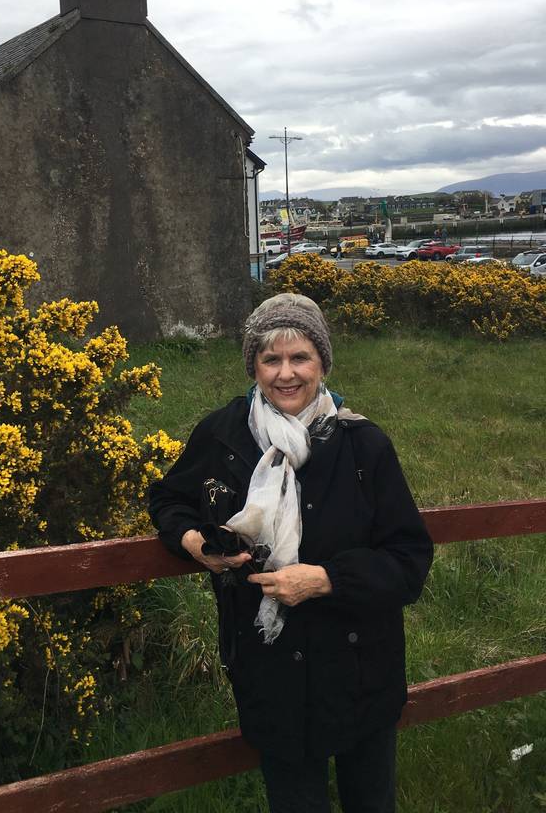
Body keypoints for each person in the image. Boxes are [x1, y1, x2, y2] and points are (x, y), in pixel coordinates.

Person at [148, 293, 433, 813]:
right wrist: (192, 542)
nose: (286, 374)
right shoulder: (223, 434)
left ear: (322, 362)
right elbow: (170, 499)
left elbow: (409, 559)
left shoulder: (362, 444)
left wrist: (326, 580)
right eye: (270, 359)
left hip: (359, 670)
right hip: (269, 671)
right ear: (253, 366)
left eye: (300, 357)